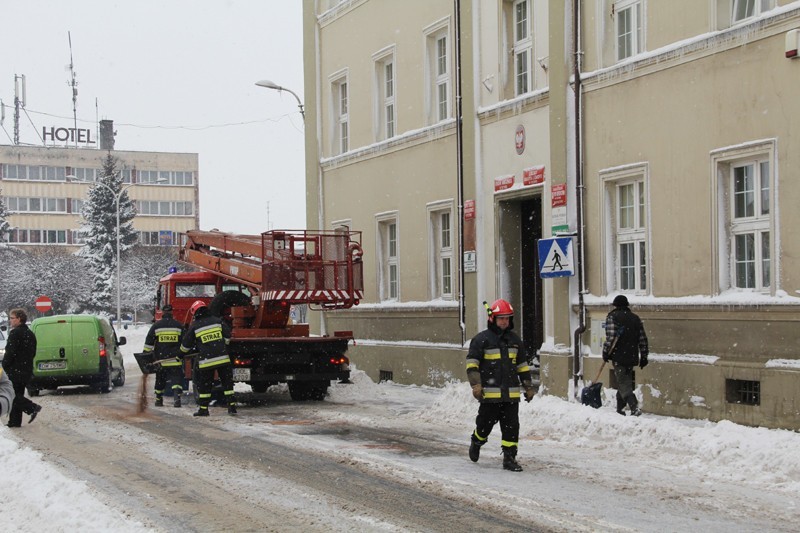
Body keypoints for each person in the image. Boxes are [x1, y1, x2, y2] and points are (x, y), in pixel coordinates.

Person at [466, 299, 535, 472]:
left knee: (511, 426)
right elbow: (472, 364)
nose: (504, 322)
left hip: (511, 395)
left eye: (507, 318)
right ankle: (477, 440)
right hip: (490, 395)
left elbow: (522, 366)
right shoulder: (481, 340)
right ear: (493, 319)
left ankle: (509, 458)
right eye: (501, 318)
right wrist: (476, 385)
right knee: (485, 424)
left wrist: (527, 386)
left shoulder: (515, 340)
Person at [180, 300, 236, 417]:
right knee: (227, 384)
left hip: (207, 362)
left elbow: (186, 344)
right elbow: (227, 336)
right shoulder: (217, 321)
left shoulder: (195, 326)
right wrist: (222, 346)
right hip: (223, 358)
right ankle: (231, 407)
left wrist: (179, 355)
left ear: (195, 313)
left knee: (205, 386)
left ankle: (204, 409)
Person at [602, 295, 649, 416]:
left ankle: (634, 408)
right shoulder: (635, 318)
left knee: (623, 382)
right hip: (632, 355)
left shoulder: (613, 317)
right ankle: (620, 409)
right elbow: (642, 338)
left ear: (615, 305)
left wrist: (606, 352)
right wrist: (644, 355)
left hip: (619, 355)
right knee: (623, 381)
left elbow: (611, 337)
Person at [2, 308, 42, 427]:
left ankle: (32, 407)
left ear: (19, 319)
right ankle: (14, 421)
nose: (10, 320)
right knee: (17, 393)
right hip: (26, 370)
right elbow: (33, 352)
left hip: (15, 370)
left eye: (12, 318)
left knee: (12, 395)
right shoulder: (30, 333)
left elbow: (10, 353)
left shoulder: (15, 333)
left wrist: (4, 366)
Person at [142, 305, 185, 408]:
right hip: (175, 360)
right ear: (171, 313)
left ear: (162, 313)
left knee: (160, 379)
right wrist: (182, 353)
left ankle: (158, 399)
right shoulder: (179, 326)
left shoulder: (156, 326)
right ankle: (177, 398)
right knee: (176, 379)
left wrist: (145, 355)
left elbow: (149, 342)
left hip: (161, 360)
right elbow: (185, 342)